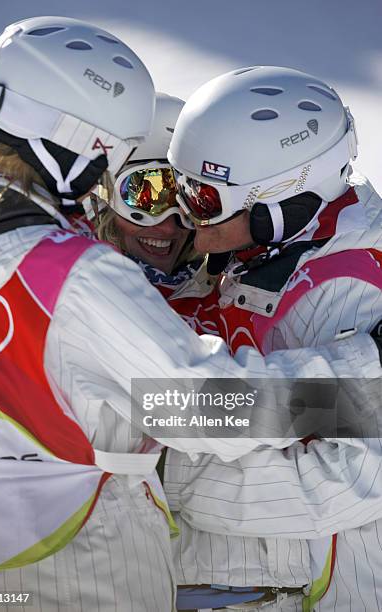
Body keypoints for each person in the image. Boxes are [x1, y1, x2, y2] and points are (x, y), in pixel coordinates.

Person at [0, 21, 379, 610]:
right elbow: (205, 406)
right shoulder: (75, 272)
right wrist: (366, 373)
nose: (177, 221)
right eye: (109, 157)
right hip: (75, 564)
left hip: (3, 561)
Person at [166, 65, 382, 610]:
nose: (185, 213)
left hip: (330, 589)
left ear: (283, 200)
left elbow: (351, 478)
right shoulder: (245, 258)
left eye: (206, 198)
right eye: (179, 185)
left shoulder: (359, 284)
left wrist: (168, 469)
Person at [98, 91, 220, 336]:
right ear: (101, 200)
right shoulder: (76, 300)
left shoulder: (229, 297)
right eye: (146, 196)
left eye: (191, 199)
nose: (169, 227)